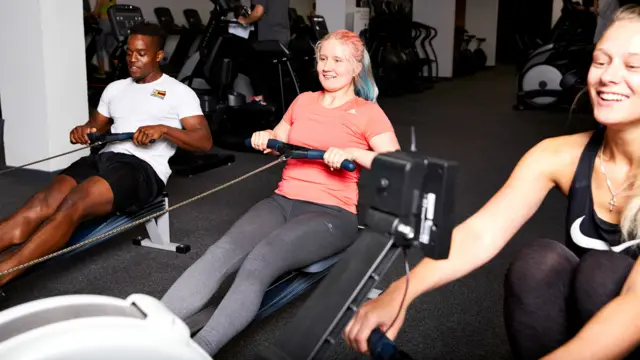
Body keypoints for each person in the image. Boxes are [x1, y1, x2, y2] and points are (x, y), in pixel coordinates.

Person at [344, 5, 640, 360]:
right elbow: (482, 232)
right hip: (588, 325)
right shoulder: (558, 155)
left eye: (633, 65)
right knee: (539, 263)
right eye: (601, 60)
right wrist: (400, 291)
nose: (608, 76)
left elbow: (634, 305)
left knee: (602, 273)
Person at [161, 29, 401, 356]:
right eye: (323, 58)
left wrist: (355, 154)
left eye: (338, 60)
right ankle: (149, 328)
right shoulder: (304, 101)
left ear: (356, 67)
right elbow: (280, 136)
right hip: (282, 201)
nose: (327, 66)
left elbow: (397, 164)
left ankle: (199, 351)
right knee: (221, 252)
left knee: (261, 259)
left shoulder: (367, 112)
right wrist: (265, 137)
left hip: (332, 214)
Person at [0, 22, 212, 287]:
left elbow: (203, 141)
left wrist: (165, 130)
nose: (133, 59)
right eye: (130, 52)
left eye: (142, 54)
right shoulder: (115, 88)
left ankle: (5, 272)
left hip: (142, 168)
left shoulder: (179, 93)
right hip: (103, 158)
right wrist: (82, 130)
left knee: (74, 203)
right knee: (39, 203)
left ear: (159, 56)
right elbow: (94, 127)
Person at [233, 0, 291, 106]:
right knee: (273, 72)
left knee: (254, 66)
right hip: (283, 35)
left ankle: (262, 101)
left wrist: (245, 20)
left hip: (269, 37)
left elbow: (258, 12)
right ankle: (270, 101)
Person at [91, 0, 117, 78]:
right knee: (111, 49)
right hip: (112, 24)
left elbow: (96, 12)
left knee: (99, 49)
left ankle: (101, 72)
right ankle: (118, 70)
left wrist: (90, 14)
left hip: (103, 23)